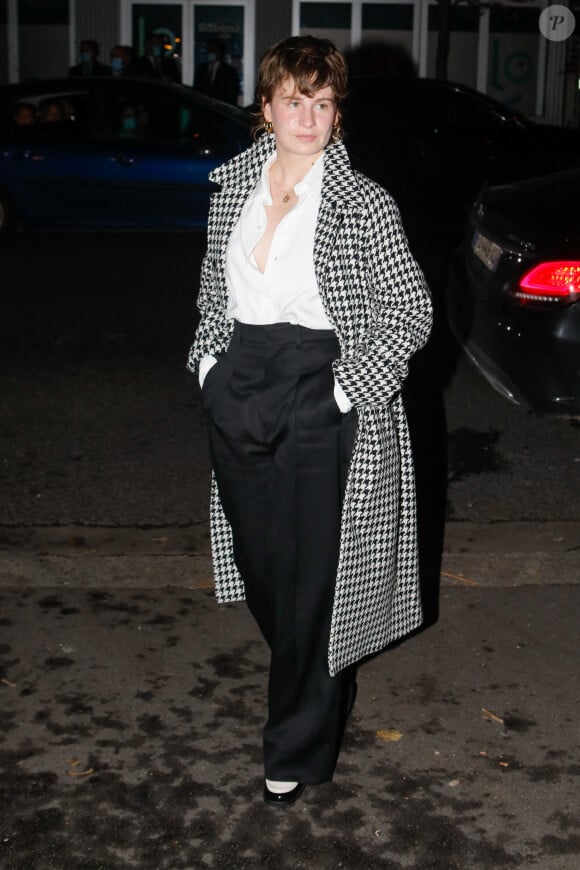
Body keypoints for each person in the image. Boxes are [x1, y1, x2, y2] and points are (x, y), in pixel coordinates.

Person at [187, 35, 432, 806]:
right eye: (295, 101)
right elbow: (209, 297)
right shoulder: (232, 188)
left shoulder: (362, 202)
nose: (310, 117)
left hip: (320, 386)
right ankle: (311, 670)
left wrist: (340, 392)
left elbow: (411, 311)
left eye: (323, 103)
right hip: (239, 382)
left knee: (313, 584)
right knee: (267, 572)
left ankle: (295, 741)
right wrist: (207, 369)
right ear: (266, 109)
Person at [193, 39, 240, 105]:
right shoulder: (201, 69)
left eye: (213, 51)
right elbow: (196, 91)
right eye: (209, 51)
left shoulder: (229, 71)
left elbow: (232, 94)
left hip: (222, 110)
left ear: (219, 52)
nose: (211, 54)